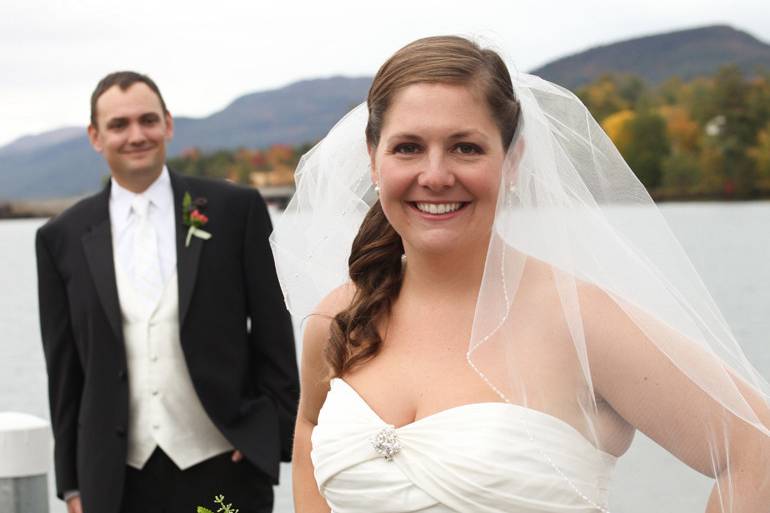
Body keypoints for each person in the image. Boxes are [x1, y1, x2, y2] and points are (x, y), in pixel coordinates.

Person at [270, 36, 770, 512]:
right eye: (408, 147)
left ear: (512, 161)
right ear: (373, 161)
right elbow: (310, 428)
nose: (436, 174)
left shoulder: (580, 319)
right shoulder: (340, 318)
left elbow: (755, 450)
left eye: (466, 147)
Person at [35, 71, 299, 513]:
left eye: (148, 120)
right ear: (95, 137)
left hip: (223, 466)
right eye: (119, 125)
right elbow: (64, 371)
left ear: (168, 125)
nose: (136, 135)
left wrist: (269, 430)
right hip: (115, 480)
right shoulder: (60, 237)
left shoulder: (235, 211)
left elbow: (273, 329)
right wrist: (72, 484)